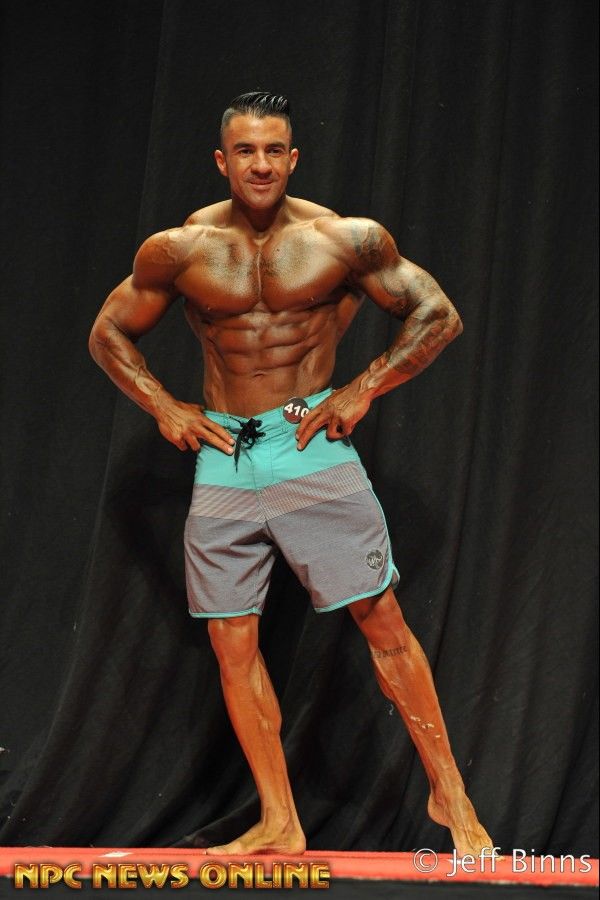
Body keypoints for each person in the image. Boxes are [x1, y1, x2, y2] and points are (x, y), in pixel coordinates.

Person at [89, 92, 493, 857]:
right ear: (223, 160)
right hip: (224, 456)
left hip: (308, 444)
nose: (261, 164)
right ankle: (280, 819)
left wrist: (363, 386)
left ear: (293, 157)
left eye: (274, 150)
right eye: (246, 151)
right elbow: (108, 330)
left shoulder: (342, 239)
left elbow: (437, 314)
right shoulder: (180, 248)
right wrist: (163, 405)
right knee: (232, 643)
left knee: (381, 620)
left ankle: (453, 797)